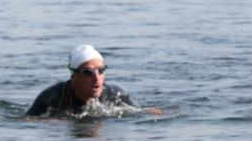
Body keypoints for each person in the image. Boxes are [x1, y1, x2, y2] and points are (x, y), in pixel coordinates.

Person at [26, 44, 159, 117]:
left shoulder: (115, 94)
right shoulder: (53, 96)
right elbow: (25, 121)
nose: (96, 77)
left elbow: (142, 112)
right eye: (88, 72)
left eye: (101, 70)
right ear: (73, 77)